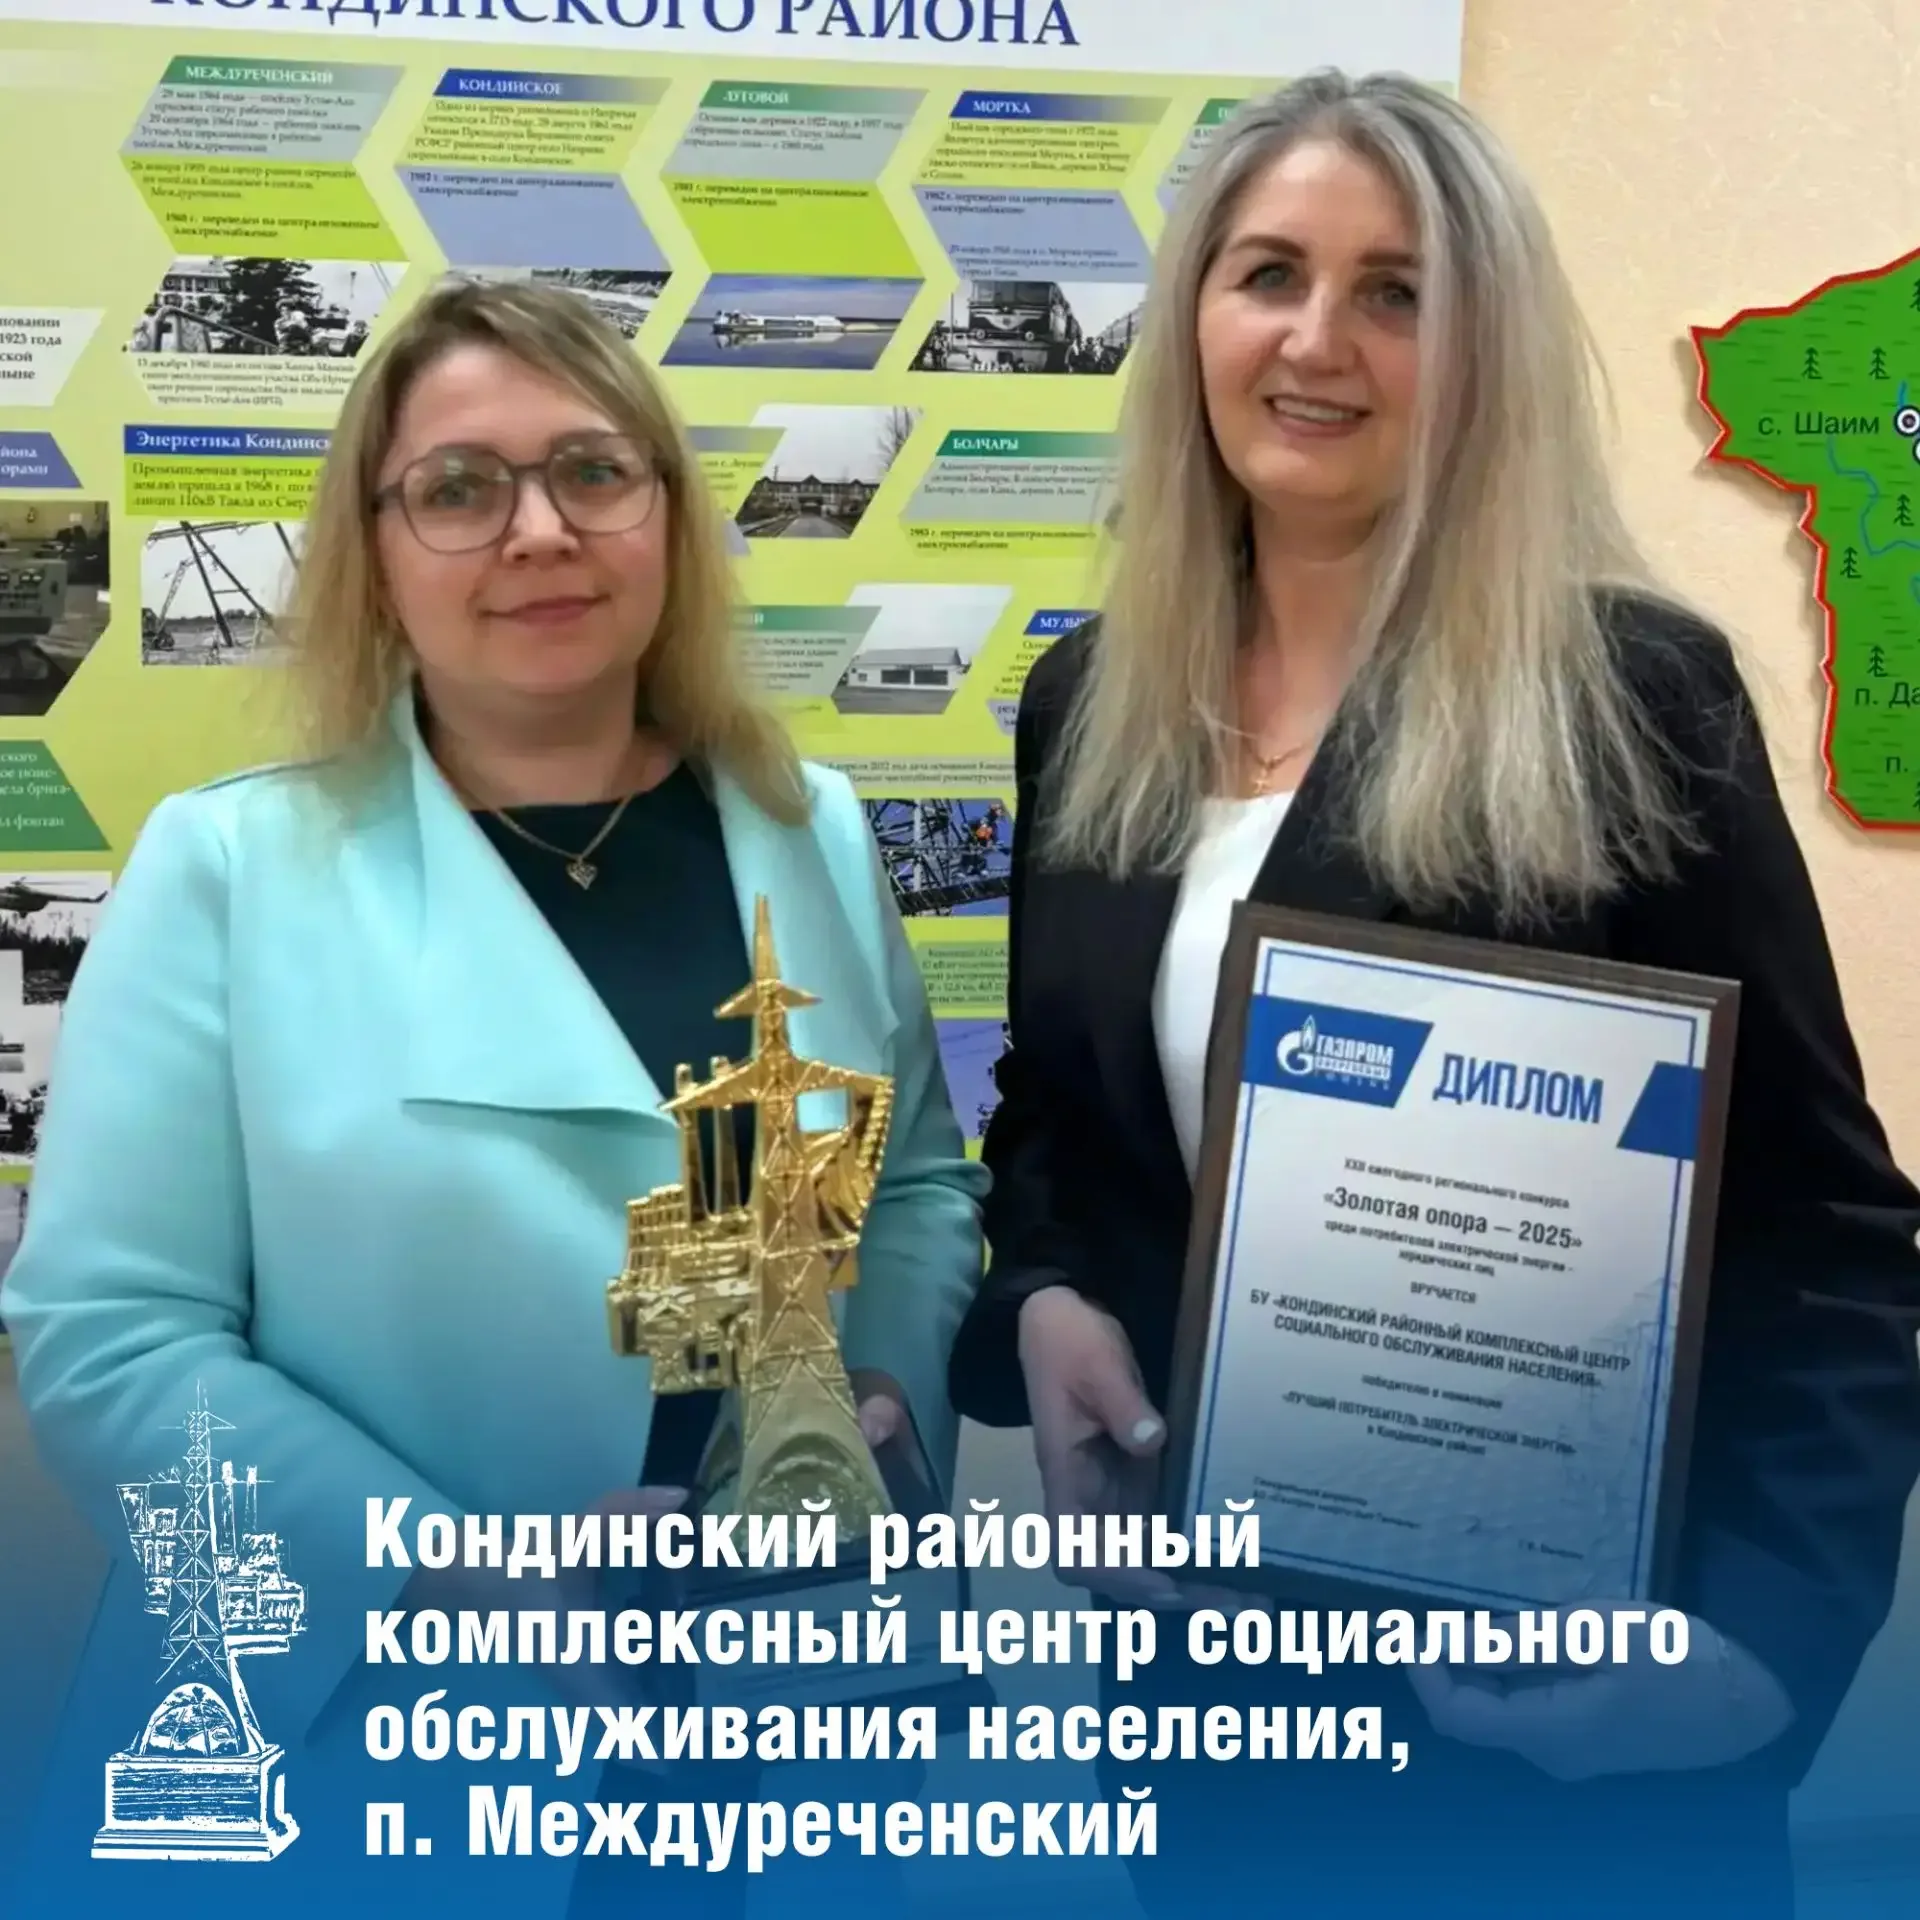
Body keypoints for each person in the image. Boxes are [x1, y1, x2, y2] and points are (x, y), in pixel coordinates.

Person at [947, 69, 1920, 1918]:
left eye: (1396, 292)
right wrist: (1049, 1297)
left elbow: (1831, 1235)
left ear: (1482, 354)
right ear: (1195, 318)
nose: (1318, 340)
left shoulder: (1630, 698)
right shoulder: (1091, 705)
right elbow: (1058, 1122)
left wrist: (1761, 1651)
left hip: (1569, 1734)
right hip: (1223, 1703)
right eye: (1269, 274)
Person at [2, 277, 987, 1916]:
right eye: (458, 489)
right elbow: (113, 1339)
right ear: (379, 554)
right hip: (369, 1726)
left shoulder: (808, 825)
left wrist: (874, 1380)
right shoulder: (230, 866)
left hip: (783, 1701)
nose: (540, 531)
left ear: (666, 519)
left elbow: (918, 1188)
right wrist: (453, 1575)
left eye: (593, 471)